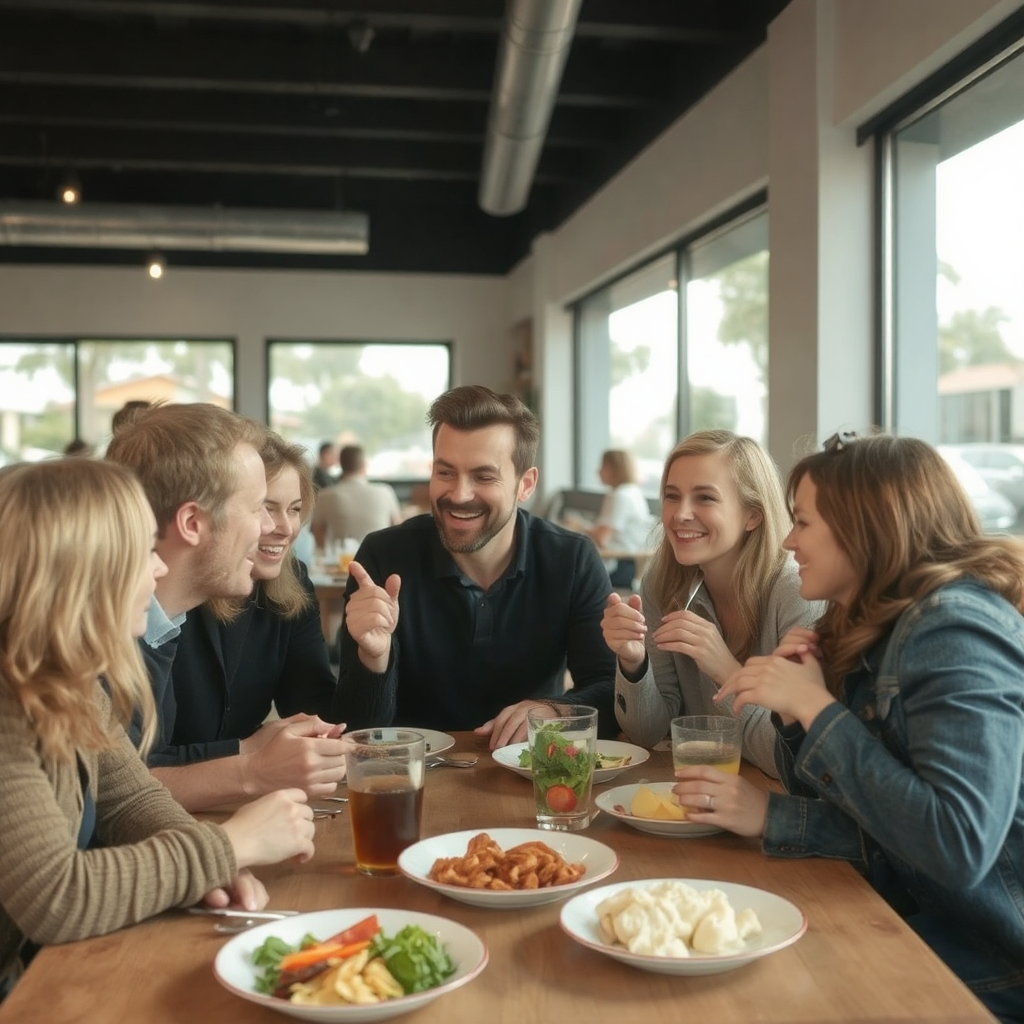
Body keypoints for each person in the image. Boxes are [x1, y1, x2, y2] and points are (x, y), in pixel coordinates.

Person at [683, 433, 1024, 1022]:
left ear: (865, 529)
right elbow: (889, 824)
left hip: (994, 952)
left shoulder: (953, 632)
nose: (788, 541)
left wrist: (817, 710)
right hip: (920, 913)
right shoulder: (873, 625)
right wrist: (791, 735)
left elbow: (956, 846)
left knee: (752, 989)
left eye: (803, 522)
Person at [0, 460, 315, 1000]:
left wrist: (209, 863)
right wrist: (227, 846)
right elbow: (57, 897)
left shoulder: (67, 680)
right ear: (83, 572)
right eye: (144, 552)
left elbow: (131, 800)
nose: (159, 570)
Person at [336, 384, 617, 747]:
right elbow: (353, 729)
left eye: (483, 477)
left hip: (527, 773)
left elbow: (611, 690)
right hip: (411, 778)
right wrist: (373, 657)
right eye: (445, 472)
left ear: (525, 484)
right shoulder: (382, 555)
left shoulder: (571, 558)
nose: (459, 494)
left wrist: (556, 710)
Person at [106, 402, 349, 811]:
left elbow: (134, 778)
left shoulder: (160, 625)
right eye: (259, 508)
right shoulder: (98, 638)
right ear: (192, 523)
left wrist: (249, 752)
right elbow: (114, 801)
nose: (275, 529)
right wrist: (251, 771)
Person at [601, 430, 822, 776]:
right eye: (672, 497)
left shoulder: (796, 591)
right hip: (696, 790)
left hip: (769, 804)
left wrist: (727, 670)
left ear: (753, 515)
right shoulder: (662, 581)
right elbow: (647, 733)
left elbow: (796, 762)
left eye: (705, 498)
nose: (680, 514)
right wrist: (634, 663)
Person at [168, 432, 338, 761]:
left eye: (295, 510)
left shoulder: (291, 582)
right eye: (264, 508)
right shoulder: (164, 599)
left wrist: (372, 661)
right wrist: (249, 755)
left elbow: (318, 718)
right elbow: (132, 772)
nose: (286, 528)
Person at [575, 449, 653, 587]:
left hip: (616, 567)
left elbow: (602, 538)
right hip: (628, 565)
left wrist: (579, 526)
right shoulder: (633, 492)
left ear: (615, 469)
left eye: (603, 466)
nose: (598, 471)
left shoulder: (620, 496)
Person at [311, 443, 402, 548]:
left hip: (342, 561)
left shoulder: (324, 496)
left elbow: (318, 535)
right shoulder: (385, 492)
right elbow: (397, 529)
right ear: (364, 465)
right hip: (379, 559)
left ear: (340, 464)